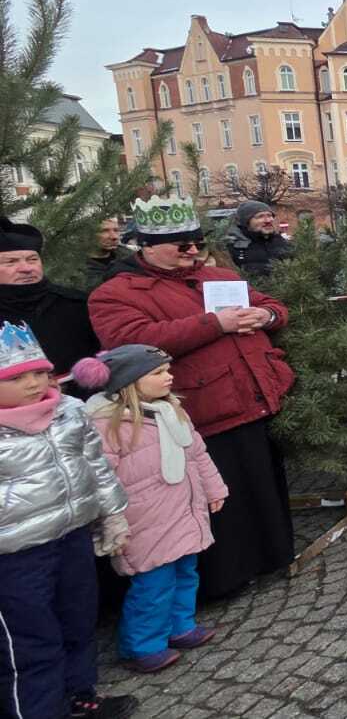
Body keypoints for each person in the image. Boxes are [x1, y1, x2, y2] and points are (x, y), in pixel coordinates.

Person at [89, 194, 295, 602]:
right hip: (201, 407)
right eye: (180, 244)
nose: (192, 251)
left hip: (252, 394)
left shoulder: (216, 278)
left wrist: (266, 316)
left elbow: (273, 305)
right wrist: (214, 323)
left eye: (196, 242)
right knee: (217, 499)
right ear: (146, 246)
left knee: (262, 485)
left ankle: (274, 556)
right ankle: (224, 579)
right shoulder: (115, 293)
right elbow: (132, 343)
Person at [0, 321, 138, 719]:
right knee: (30, 641)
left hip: (71, 535)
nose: (33, 383)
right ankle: (39, 710)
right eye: (18, 377)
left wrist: (112, 514)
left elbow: (95, 466)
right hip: (15, 555)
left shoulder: (69, 411)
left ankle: (80, 695)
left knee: (78, 620)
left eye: (40, 372)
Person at [73, 345, 228, 673]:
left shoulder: (172, 410)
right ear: (129, 382)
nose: (169, 376)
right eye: (158, 372)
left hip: (182, 511)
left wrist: (214, 489)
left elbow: (196, 453)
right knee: (153, 586)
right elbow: (99, 478)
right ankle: (142, 645)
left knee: (186, 573)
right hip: (143, 521)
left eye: (167, 369)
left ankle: (180, 625)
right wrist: (109, 521)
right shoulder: (106, 425)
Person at [0, 217, 102, 398]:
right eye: (11, 262)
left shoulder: (76, 304)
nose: (26, 268)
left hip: (84, 404)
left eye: (32, 259)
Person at [225, 201, 293, 277]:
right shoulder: (231, 246)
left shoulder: (282, 243)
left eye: (270, 215)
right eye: (260, 216)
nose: (268, 220)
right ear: (246, 222)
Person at [86, 217, 134, 289]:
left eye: (116, 230)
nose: (114, 237)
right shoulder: (72, 266)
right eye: (104, 231)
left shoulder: (130, 256)